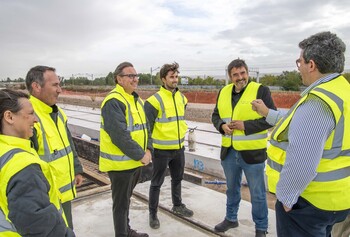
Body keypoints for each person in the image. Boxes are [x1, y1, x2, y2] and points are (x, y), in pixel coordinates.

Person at [251, 31, 350, 236]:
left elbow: (303, 160)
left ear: (311, 65)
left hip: (311, 202)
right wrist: (268, 113)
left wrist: (287, 197)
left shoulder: (318, 101)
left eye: (300, 62)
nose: (299, 68)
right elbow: (301, 124)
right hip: (340, 197)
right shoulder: (342, 91)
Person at [211, 59, 276, 237]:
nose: (240, 77)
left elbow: (271, 118)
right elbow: (216, 115)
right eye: (235, 75)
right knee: (231, 189)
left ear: (247, 72)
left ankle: (261, 228)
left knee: (258, 193)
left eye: (243, 73)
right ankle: (231, 218)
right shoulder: (223, 92)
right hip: (229, 152)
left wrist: (245, 126)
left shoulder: (261, 90)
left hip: (252, 154)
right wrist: (221, 126)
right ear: (230, 76)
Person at [0, 89, 75, 237]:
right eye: (30, 114)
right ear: (9, 117)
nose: (35, 120)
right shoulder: (22, 166)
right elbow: (41, 228)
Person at [25, 66, 84, 229]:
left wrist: (76, 168)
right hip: (45, 198)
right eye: (55, 85)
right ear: (36, 87)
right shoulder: (28, 116)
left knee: (67, 229)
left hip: (63, 193)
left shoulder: (58, 113)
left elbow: (69, 144)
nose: (60, 90)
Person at [99, 62, 152, 237]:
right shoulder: (113, 102)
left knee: (126, 201)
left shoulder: (137, 100)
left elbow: (146, 128)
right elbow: (119, 136)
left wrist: (149, 149)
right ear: (119, 79)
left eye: (136, 76)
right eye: (130, 76)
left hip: (134, 162)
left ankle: (127, 231)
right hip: (120, 166)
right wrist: (141, 155)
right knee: (120, 205)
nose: (135, 79)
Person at [145, 62, 193, 229]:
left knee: (177, 179)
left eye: (176, 76)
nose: (175, 79)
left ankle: (177, 205)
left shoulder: (182, 98)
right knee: (156, 183)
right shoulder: (154, 101)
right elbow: (147, 128)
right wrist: (148, 148)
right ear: (163, 79)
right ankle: (153, 214)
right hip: (161, 150)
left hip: (178, 149)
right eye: (171, 77)